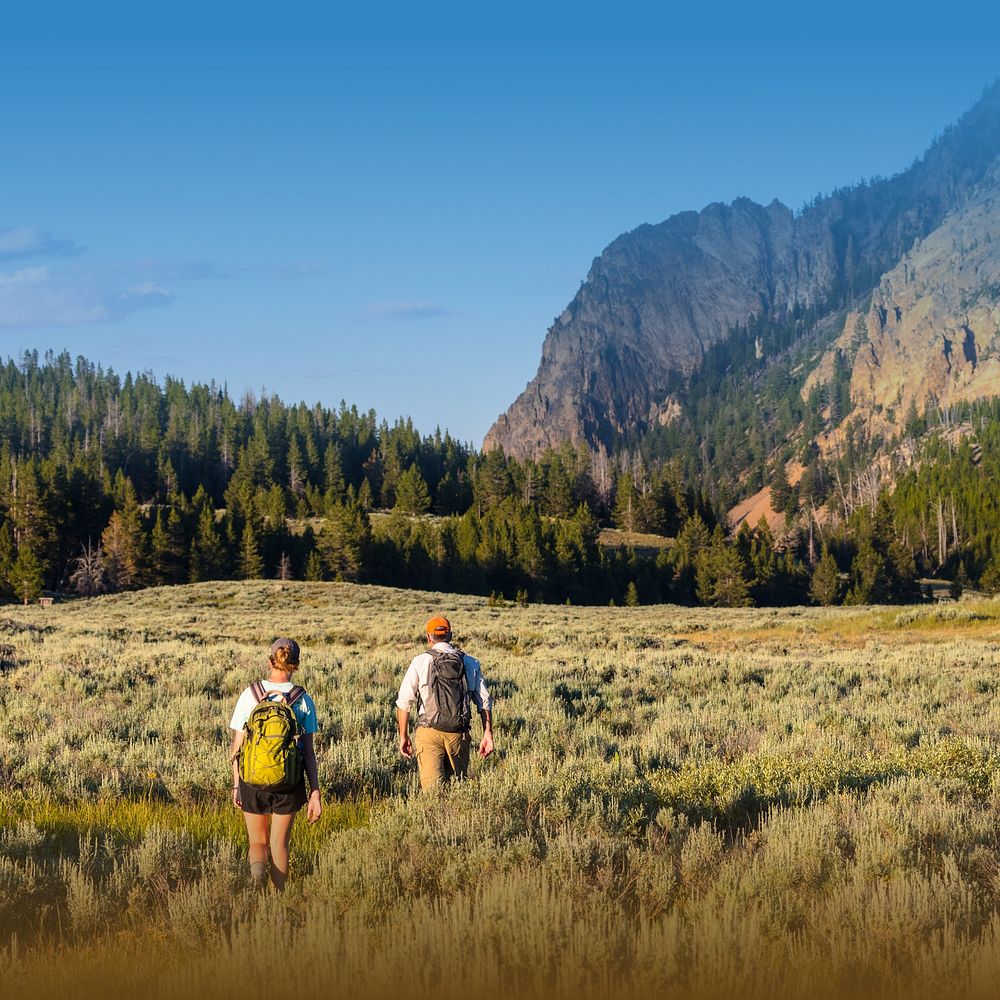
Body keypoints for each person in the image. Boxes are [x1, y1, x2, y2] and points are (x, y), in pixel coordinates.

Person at [229, 638, 322, 890]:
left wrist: (237, 786)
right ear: (295, 664)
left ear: (271, 660)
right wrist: (314, 792)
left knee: (257, 842)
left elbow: (237, 748)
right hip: (289, 783)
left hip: (252, 780)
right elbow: (309, 753)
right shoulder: (303, 700)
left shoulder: (250, 695)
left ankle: (257, 884)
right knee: (279, 844)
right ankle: (279, 897)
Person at [396, 615, 494, 789]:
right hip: (459, 735)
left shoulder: (420, 661)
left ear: (428, 637)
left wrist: (403, 736)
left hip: (428, 732)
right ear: (450, 635)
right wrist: (488, 734)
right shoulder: (470, 662)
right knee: (457, 790)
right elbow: (484, 702)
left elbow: (404, 702)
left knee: (432, 792)